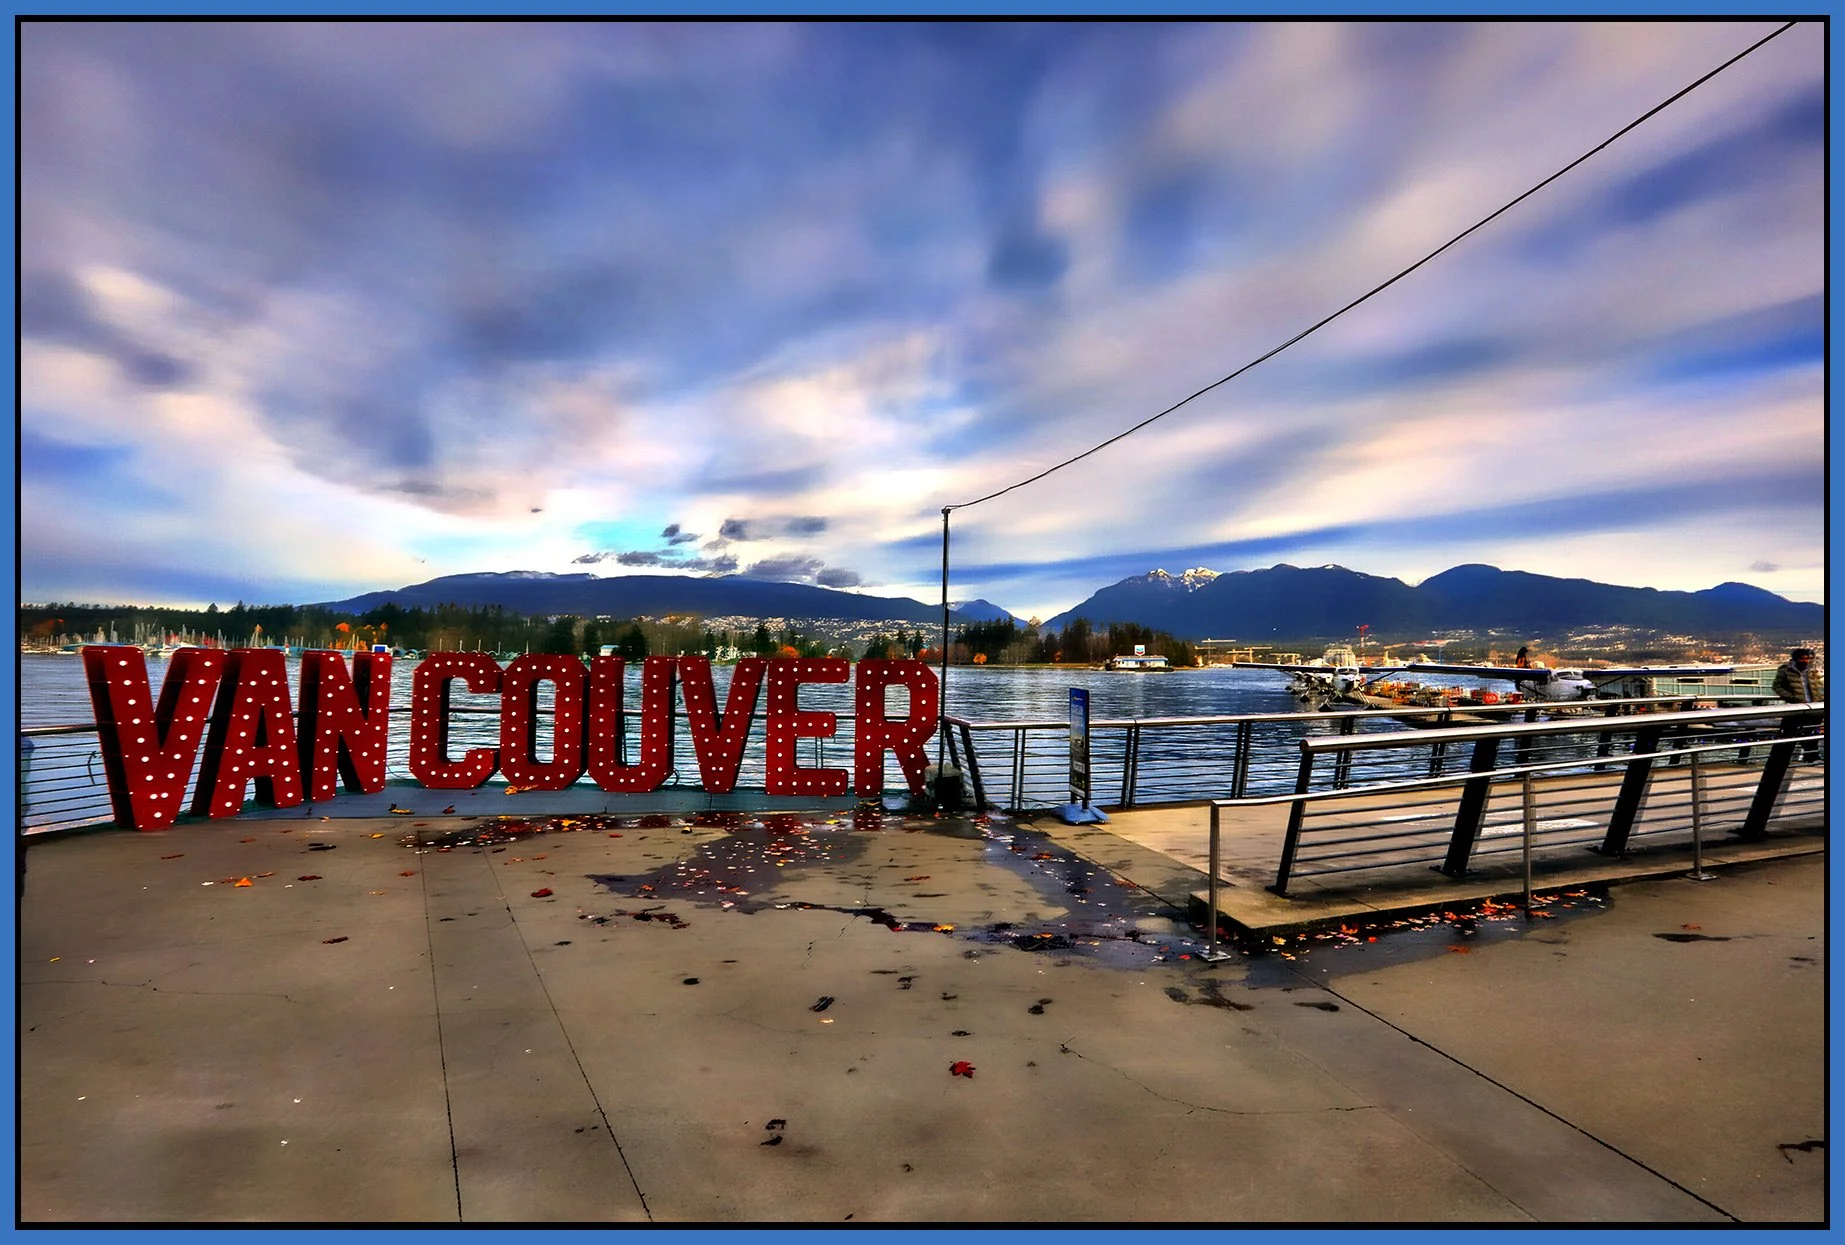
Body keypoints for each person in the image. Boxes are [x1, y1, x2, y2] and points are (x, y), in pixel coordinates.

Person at [1773, 648, 1823, 763]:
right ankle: (1781, 760)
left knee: (1812, 733)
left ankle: (1812, 757)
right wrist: (1790, 697)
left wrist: (1820, 699)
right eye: (1802, 658)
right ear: (1796, 659)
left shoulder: (1811, 671)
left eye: (1808, 659)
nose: (1805, 661)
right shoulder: (1785, 671)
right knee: (1793, 733)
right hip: (1797, 708)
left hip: (1814, 707)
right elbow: (1777, 687)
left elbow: (1817, 687)